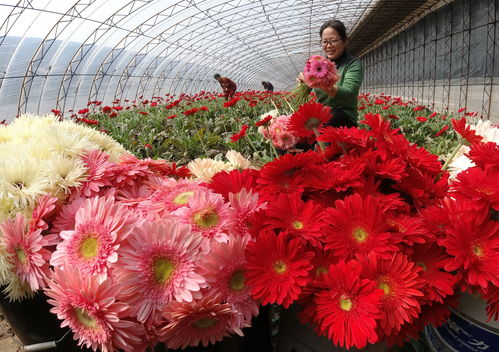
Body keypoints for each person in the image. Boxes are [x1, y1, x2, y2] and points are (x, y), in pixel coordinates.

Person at [297, 19, 364, 128]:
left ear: (345, 41)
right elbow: (305, 90)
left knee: (332, 116)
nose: (328, 46)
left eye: (333, 40)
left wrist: (322, 85)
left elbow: (349, 93)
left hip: (343, 118)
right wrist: (303, 82)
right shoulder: (316, 65)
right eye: (324, 41)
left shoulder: (352, 64)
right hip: (321, 117)